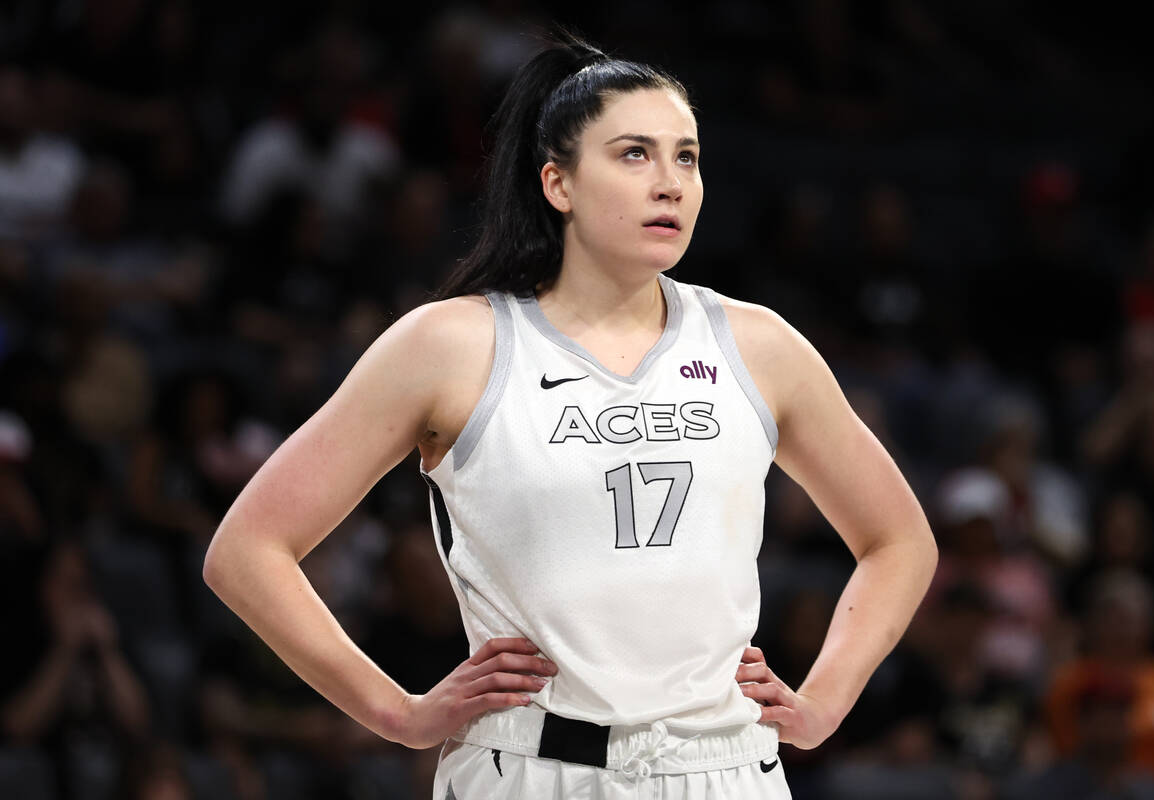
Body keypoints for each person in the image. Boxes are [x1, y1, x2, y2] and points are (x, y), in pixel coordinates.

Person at [202, 29, 938, 799]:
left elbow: (899, 541)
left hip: (727, 772)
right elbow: (248, 549)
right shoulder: (452, 344)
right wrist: (397, 713)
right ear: (558, 184)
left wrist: (824, 704)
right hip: (532, 770)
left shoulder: (759, 345)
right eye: (634, 154)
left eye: (686, 156)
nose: (671, 182)